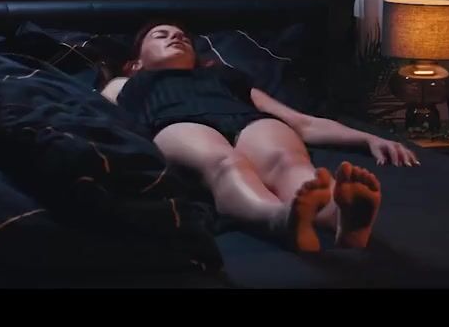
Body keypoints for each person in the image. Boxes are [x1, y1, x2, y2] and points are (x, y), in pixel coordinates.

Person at [99, 21, 418, 252]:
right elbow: (97, 119)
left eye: (183, 37)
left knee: (288, 161)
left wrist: (368, 139)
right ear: (135, 63)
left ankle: (341, 216)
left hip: (247, 120)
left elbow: (301, 122)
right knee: (225, 163)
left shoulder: (224, 77)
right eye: (162, 35)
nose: (176, 38)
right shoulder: (123, 84)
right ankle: (278, 218)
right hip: (177, 121)